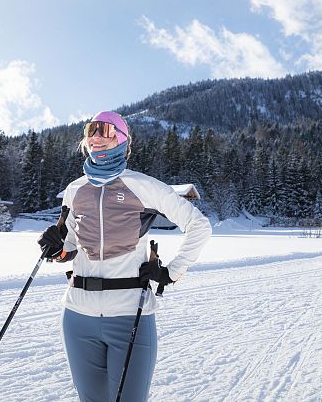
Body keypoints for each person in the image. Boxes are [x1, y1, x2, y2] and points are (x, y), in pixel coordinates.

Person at [38, 110, 212, 402]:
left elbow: (199, 226)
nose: (96, 137)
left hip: (129, 314)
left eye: (105, 130)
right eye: (91, 130)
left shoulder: (143, 186)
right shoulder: (75, 190)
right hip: (77, 316)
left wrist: (170, 272)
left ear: (122, 139)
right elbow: (69, 245)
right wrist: (56, 248)